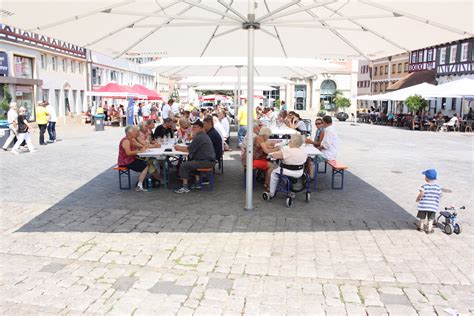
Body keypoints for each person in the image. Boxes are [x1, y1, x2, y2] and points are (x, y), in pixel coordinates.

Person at [173, 120, 216, 193]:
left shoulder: (199, 137)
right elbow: (191, 148)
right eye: (193, 127)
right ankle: (197, 183)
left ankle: (185, 187)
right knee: (191, 161)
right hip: (209, 160)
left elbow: (188, 150)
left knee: (184, 165)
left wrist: (178, 148)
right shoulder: (202, 135)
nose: (193, 129)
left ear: (201, 128)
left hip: (206, 161)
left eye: (195, 127)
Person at [265, 134, 307, 198]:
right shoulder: (303, 151)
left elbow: (275, 155)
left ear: (291, 141)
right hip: (299, 172)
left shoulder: (287, 150)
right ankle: (290, 188)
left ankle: (271, 193)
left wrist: (272, 154)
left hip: (287, 171)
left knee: (274, 173)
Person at [118, 126, 149, 192]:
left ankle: (141, 181)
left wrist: (144, 147)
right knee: (145, 166)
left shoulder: (131, 139)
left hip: (131, 159)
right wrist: (139, 151)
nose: (137, 133)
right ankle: (139, 185)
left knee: (145, 163)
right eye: (135, 131)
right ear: (130, 133)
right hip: (126, 162)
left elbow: (139, 145)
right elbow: (128, 153)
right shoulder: (126, 140)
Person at [416, 169, 442, 234]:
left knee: (422, 217)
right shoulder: (438, 187)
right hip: (433, 206)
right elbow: (440, 195)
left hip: (423, 206)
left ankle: (421, 227)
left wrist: (418, 199)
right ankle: (429, 229)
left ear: (426, 178)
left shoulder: (424, 186)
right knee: (431, 219)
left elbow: (421, 194)